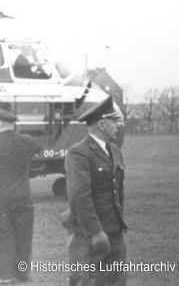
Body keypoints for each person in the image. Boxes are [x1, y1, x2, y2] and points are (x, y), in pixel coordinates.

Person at [63, 96, 127, 286]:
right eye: (114, 121)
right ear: (102, 124)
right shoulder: (79, 153)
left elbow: (117, 192)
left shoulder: (114, 150)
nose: (118, 126)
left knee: (116, 281)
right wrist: (95, 231)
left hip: (114, 231)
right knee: (86, 281)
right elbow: (79, 197)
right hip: (88, 235)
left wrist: (117, 226)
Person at [0, 109, 42, 284]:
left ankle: (6, 276)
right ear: (12, 124)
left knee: (5, 236)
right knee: (24, 236)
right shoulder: (26, 141)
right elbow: (38, 150)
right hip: (24, 197)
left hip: (2, 199)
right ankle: (22, 274)